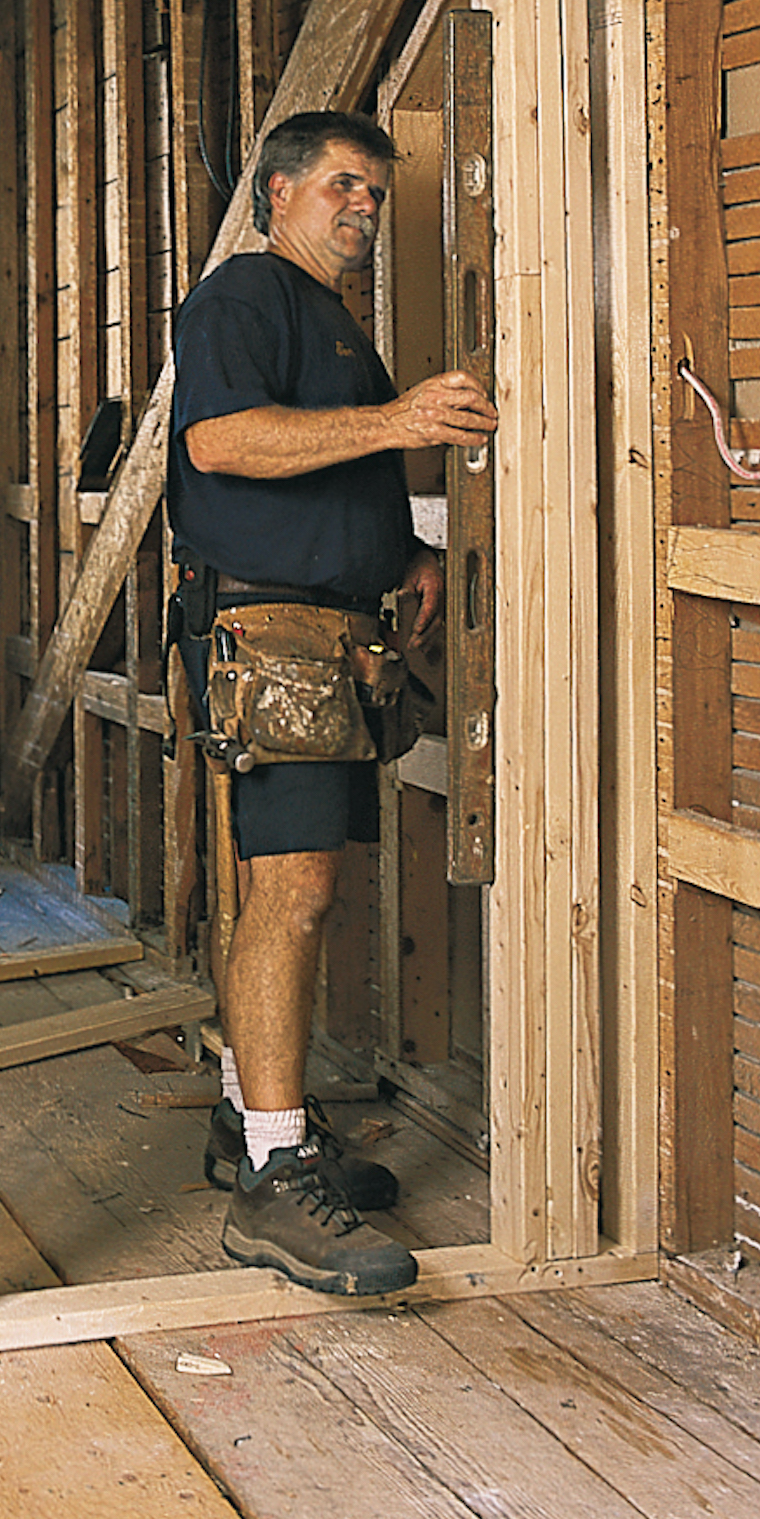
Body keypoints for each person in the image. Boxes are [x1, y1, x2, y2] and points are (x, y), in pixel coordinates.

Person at [168, 109, 498, 1296]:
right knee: (294, 893)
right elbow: (221, 443)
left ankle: (252, 1119)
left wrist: (396, 550)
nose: (362, 209)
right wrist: (405, 420)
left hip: (331, 638)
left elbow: (327, 465)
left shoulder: (331, 323)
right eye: (343, 189)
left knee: (297, 892)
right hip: (272, 638)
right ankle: (268, 1179)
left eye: (372, 193)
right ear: (278, 193)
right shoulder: (242, 299)